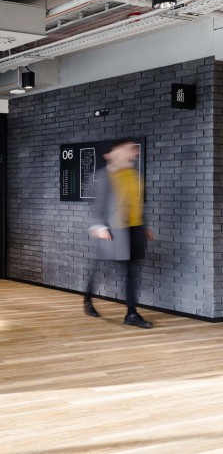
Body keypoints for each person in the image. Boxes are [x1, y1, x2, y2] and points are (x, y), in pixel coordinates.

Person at [85, 138, 155, 328]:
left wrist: (144, 226)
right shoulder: (104, 175)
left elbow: (137, 203)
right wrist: (98, 226)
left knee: (131, 271)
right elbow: (97, 205)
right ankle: (88, 298)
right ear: (113, 153)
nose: (133, 152)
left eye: (133, 149)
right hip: (112, 230)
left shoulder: (134, 175)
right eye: (128, 148)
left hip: (134, 228)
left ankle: (131, 314)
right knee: (101, 267)